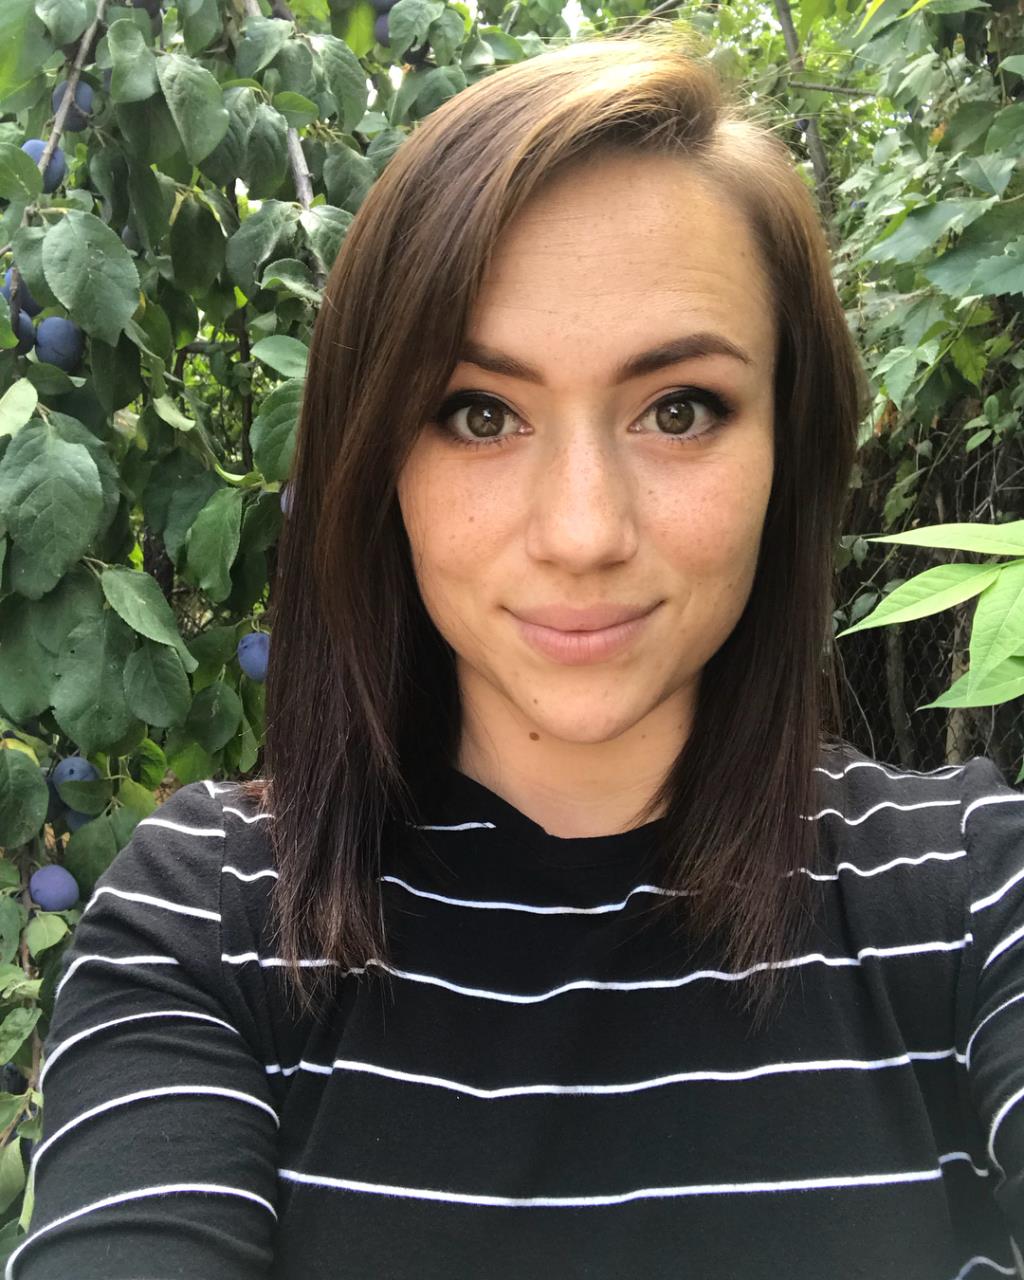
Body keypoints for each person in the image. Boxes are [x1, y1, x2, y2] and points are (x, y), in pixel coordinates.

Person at [10, 25, 1024, 1280]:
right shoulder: (207, 924)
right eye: (479, 412)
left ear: (790, 444)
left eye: (679, 409)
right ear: (376, 460)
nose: (583, 532)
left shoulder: (969, 896)